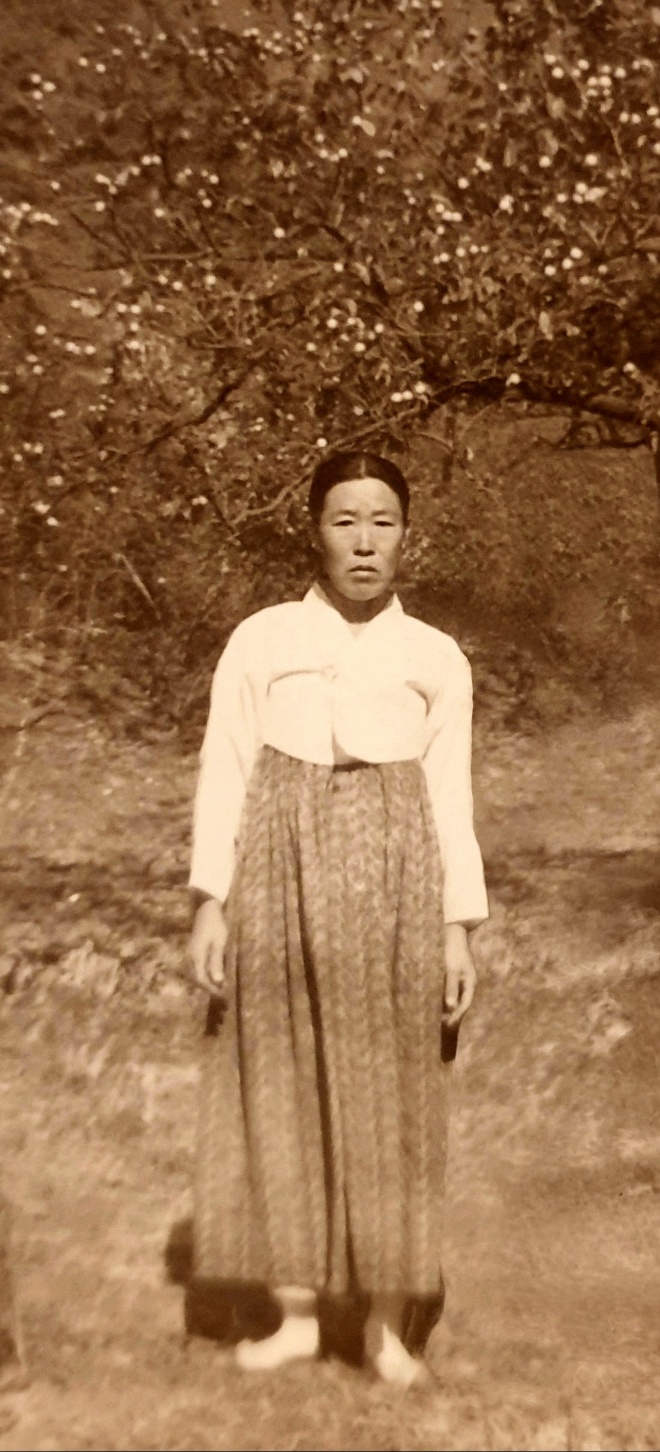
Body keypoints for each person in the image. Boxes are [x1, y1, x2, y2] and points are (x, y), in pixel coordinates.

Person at [188, 450, 488, 1388]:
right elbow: (226, 767)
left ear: (406, 536)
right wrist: (210, 903)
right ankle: (294, 1314)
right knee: (278, 1076)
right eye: (344, 520)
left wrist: (457, 927)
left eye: (382, 522)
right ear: (313, 532)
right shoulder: (263, 639)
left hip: (398, 880)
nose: (364, 541)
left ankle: (387, 1325)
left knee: (396, 1087)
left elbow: (451, 795)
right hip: (276, 871)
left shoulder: (435, 655)